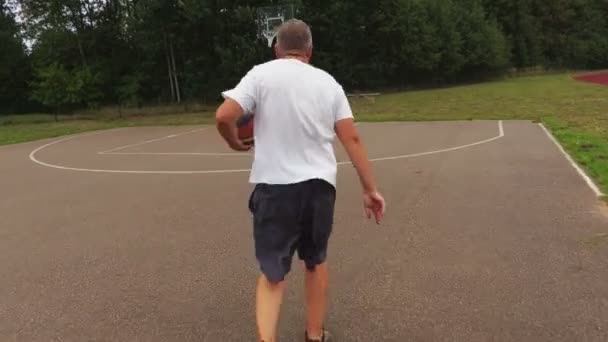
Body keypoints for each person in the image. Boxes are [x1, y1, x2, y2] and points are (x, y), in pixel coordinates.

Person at [215, 19, 386, 342]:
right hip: (319, 187)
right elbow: (352, 138)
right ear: (310, 50)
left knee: (273, 273)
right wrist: (370, 189)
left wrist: (232, 140)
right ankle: (314, 334)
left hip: (275, 188)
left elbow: (224, 115)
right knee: (315, 261)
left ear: (277, 49)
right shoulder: (328, 83)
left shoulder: (260, 75)